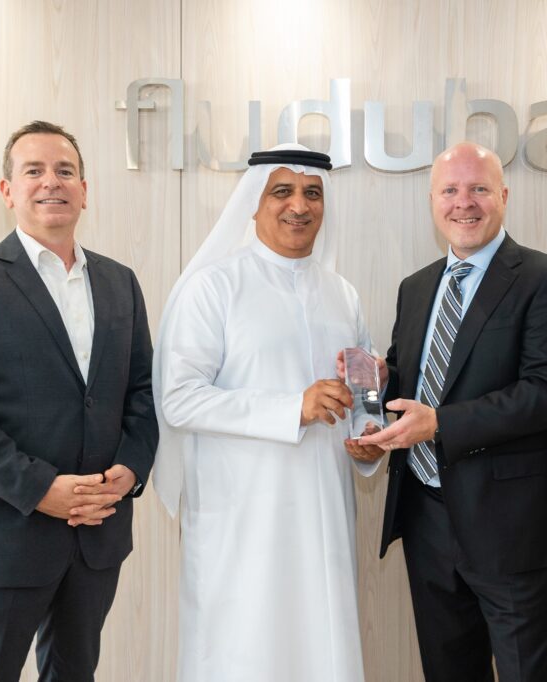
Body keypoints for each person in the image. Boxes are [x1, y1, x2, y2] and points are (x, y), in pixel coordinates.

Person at [0, 120, 158, 681]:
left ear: (85, 189)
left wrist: (131, 467)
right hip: (3, 534)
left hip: (97, 535)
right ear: (7, 190)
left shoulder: (120, 282)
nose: (51, 182)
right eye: (34, 170)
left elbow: (143, 391)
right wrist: (39, 489)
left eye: (65, 171)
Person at [349, 142, 547, 681]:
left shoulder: (546, 279)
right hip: (427, 518)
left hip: (511, 527)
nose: (465, 203)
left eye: (479, 188)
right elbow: (416, 381)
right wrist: (381, 392)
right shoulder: (416, 288)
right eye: (451, 190)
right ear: (432, 200)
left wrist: (442, 424)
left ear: (503, 195)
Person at [152, 144, 380, 681]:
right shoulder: (212, 287)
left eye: (312, 193)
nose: (299, 205)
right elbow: (179, 397)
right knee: (244, 651)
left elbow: (361, 394)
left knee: (322, 649)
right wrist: (291, 409)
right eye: (283, 191)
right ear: (254, 202)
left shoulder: (343, 295)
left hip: (324, 511)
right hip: (243, 518)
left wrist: (369, 438)